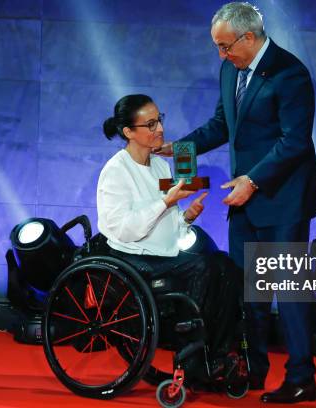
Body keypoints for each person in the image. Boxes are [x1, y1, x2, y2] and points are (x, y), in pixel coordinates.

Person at [157, 2, 316, 404]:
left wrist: (253, 180)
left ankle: (302, 377)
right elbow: (222, 124)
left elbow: (295, 141)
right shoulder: (231, 68)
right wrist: (180, 148)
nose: (221, 55)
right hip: (242, 200)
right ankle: (252, 368)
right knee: (249, 291)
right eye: (217, 47)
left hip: (281, 200)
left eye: (225, 46)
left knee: (289, 289)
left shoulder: (290, 72)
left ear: (249, 37)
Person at [97, 93, 243, 381]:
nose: (159, 130)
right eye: (150, 125)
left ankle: (220, 354)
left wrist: (186, 217)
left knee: (225, 266)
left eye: (159, 120)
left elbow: (168, 225)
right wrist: (166, 202)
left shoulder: (161, 165)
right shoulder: (116, 171)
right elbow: (123, 229)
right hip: (132, 257)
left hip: (164, 252)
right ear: (128, 132)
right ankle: (192, 359)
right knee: (204, 267)